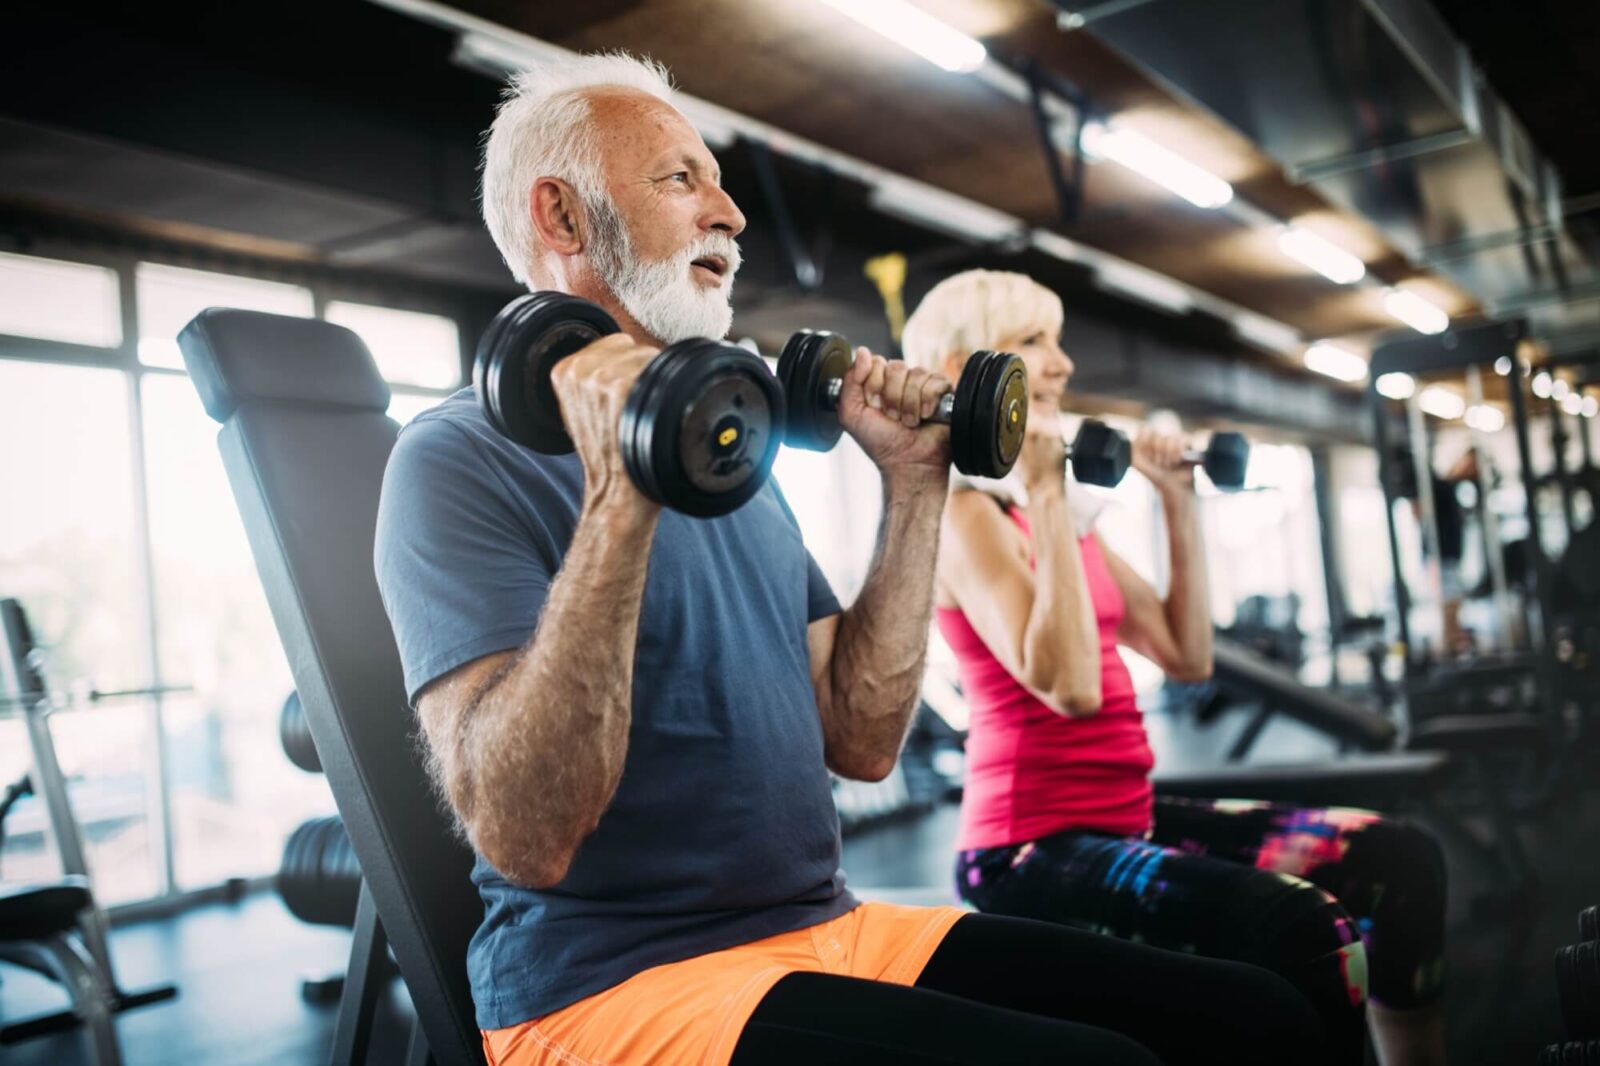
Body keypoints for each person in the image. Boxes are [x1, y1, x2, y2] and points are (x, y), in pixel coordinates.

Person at [374, 54, 1333, 1066]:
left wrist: (915, 483)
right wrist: (619, 497)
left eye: (716, 178)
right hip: (607, 990)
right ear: (562, 218)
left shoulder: (729, 461)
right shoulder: (454, 459)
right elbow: (525, 835)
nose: (731, 213)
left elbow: (862, 738)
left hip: (827, 929)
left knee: (1253, 1015)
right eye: (680, 179)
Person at [902, 269, 1450, 1066]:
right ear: (964, 372)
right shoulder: (965, 514)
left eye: (1055, 343)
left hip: (1126, 818)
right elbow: (1070, 683)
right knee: (1307, 931)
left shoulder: (1061, 517)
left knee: (1398, 860)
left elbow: (1185, 654)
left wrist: (1174, 499)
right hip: (1028, 852)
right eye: (1032, 344)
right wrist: (1049, 494)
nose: (1061, 365)